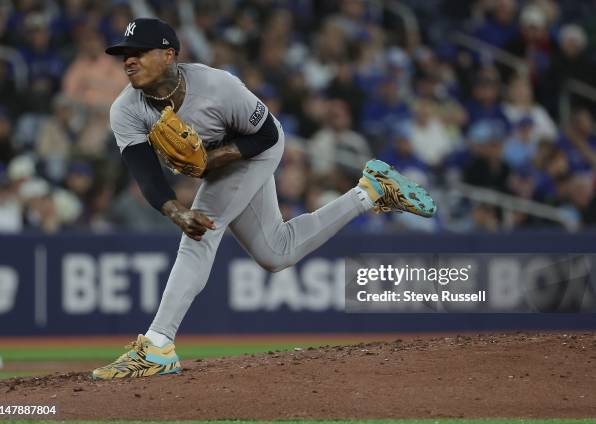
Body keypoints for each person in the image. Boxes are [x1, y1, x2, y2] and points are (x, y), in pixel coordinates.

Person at [92, 18, 436, 380]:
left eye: (138, 52)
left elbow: (267, 135)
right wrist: (175, 210)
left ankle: (158, 345)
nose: (128, 61)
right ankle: (371, 191)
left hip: (256, 149)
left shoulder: (216, 86)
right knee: (277, 252)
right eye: (124, 55)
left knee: (201, 234)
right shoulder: (126, 109)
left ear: (168, 54)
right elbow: (145, 174)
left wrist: (212, 160)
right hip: (218, 165)